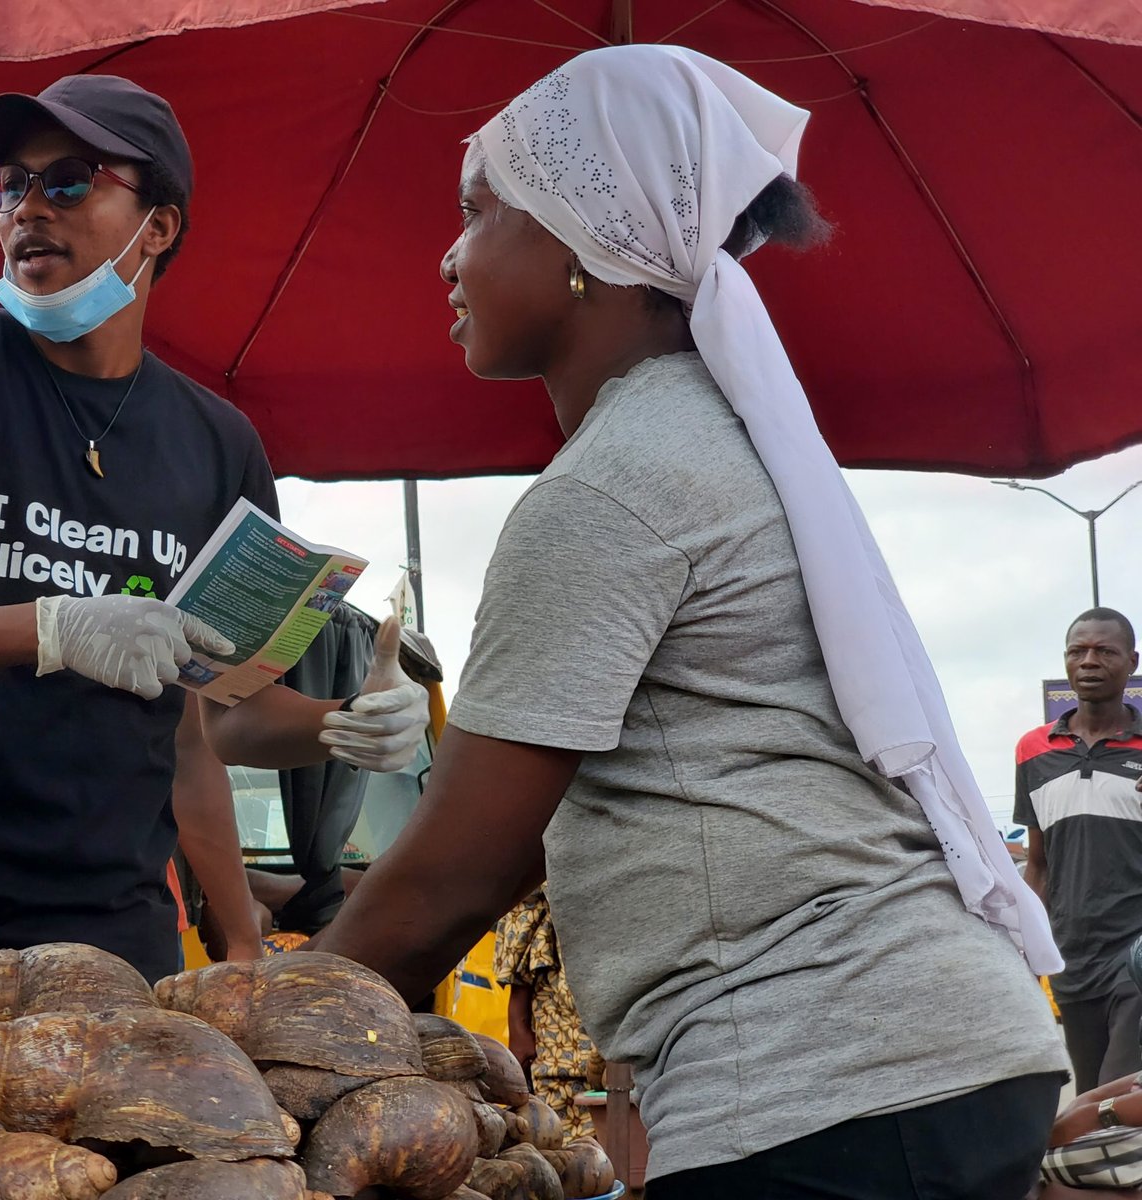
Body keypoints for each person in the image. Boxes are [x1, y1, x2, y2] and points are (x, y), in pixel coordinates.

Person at [306, 45, 1069, 1199]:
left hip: (831, 1086)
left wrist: (261, 1033)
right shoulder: (703, 438)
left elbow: (457, 872)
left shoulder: (611, 488)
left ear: (577, 246)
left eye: (478, 212)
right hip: (920, 1060)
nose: (450, 254)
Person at [0, 74, 428, 1046]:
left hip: (117, 941)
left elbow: (208, 725)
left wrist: (340, 728)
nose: (26, 206)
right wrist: (51, 626)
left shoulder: (216, 445)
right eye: (8, 186)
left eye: (68, 181)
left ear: (156, 226)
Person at [1017, 608, 1142, 1093]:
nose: (1089, 661)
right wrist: (1026, 945)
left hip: (1135, 950)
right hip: (1071, 955)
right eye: (1077, 651)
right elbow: (1039, 863)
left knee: (1120, 1090)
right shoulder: (1033, 750)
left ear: (1131, 662)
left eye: (1104, 651)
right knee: (1090, 1091)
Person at [494, 886, 596, 1139]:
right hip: (558, 1030)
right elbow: (525, 907)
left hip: (619, 1022)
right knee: (564, 1140)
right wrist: (518, 1025)